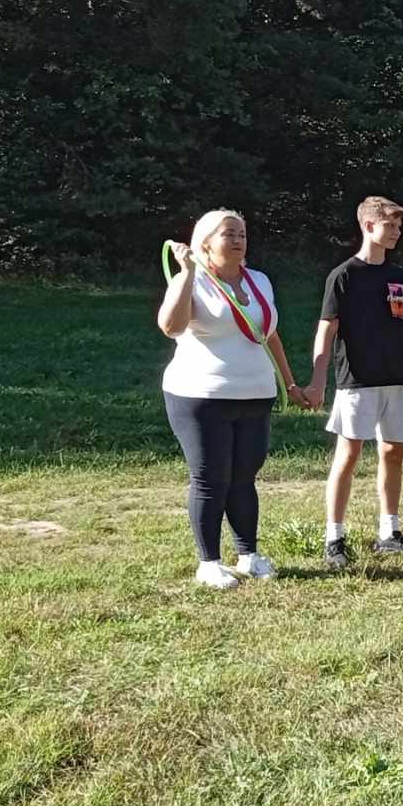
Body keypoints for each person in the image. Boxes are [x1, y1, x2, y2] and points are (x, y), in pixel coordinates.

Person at [158, 209, 313, 589]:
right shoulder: (192, 279)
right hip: (201, 394)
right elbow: (171, 326)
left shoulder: (259, 280)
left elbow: (269, 334)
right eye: (229, 233)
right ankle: (209, 562)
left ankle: (248, 555)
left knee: (245, 476)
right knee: (211, 478)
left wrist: (290, 383)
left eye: (242, 233)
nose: (239, 240)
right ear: (205, 241)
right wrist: (187, 273)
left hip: (256, 393)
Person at [307, 195, 403, 568]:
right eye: (390, 225)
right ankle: (334, 537)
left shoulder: (402, 279)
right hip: (356, 381)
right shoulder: (343, 276)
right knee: (348, 454)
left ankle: (389, 532)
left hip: (399, 379)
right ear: (368, 225)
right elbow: (326, 330)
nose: (396, 232)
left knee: (393, 453)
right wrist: (318, 381)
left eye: (399, 226)